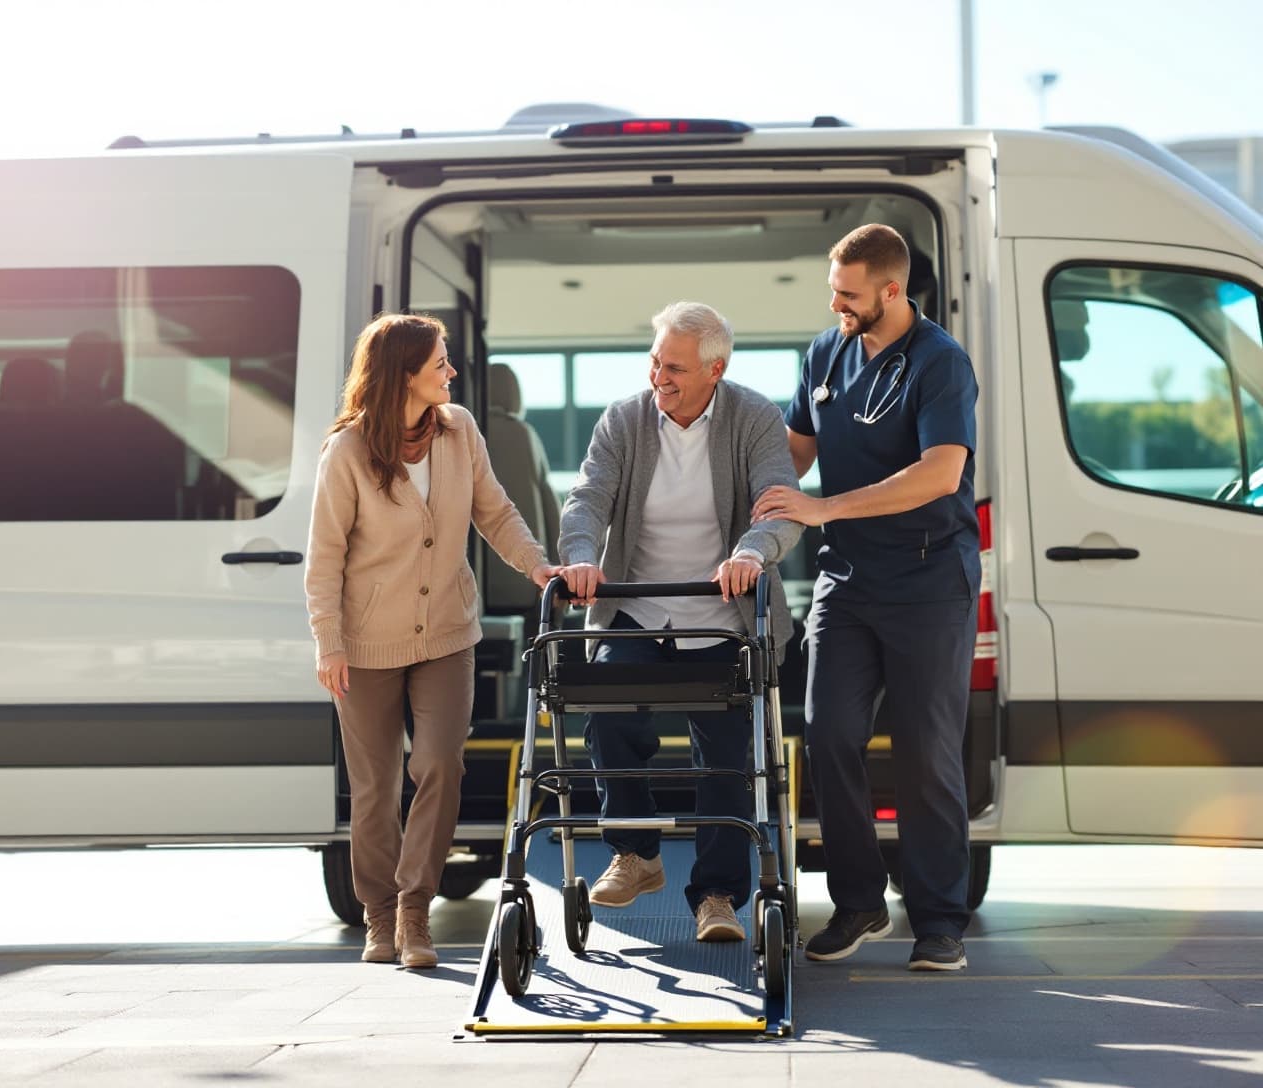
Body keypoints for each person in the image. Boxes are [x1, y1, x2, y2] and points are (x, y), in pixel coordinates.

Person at [752, 223, 980, 972]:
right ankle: (858, 903)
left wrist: (824, 508)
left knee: (926, 754)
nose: (835, 302)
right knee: (828, 736)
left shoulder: (941, 364)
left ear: (891, 290)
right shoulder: (827, 351)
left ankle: (940, 920)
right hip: (846, 583)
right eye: (833, 289)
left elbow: (940, 473)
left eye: (847, 293)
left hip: (927, 583)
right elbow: (791, 452)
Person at [304, 313, 559, 969]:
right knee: (376, 787)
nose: (451, 371)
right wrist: (327, 643)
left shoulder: (459, 431)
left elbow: (494, 509)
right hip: (364, 644)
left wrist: (537, 567)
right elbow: (324, 557)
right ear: (404, 373)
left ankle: (415, 911)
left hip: (447, 632)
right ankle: (380, 917)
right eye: (440, 362)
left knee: (439, 765)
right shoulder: (350, 452)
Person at [557, 301, 802, 942]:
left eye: (674, 367)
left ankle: (717, 896)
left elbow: (779, 503)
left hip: (721, 614)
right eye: (654, 362)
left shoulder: (753, 417)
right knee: (608, 713)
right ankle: (636, 856)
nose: (658, 377)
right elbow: (588, 499)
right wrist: (582, 559)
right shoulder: (625, 420)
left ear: (715, 369)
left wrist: (752, 551)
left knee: (724, 756)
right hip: (638, 606)